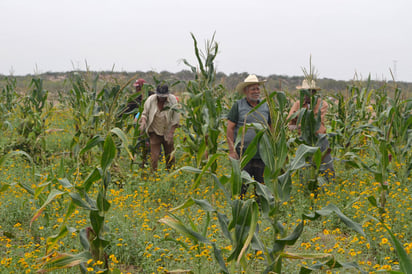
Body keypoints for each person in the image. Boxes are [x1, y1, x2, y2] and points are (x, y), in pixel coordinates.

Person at [226, 74, 271, 198]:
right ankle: (239, 207)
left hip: (262, 155)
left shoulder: (265, 106)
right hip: (243, 154)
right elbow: (230, 128)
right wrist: (231, 150)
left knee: (261, 188)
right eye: (253, 89)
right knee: (241, 186)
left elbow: (271, 127)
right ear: (246, 91)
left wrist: (272, 148)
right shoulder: (238, 106)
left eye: (258, 89)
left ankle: (261, 211)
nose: (256, 92)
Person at [287, 79, 335, 180]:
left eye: (309, 91)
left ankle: (330, 185)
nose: (306, 94)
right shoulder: (297, 104)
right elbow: (290, 121)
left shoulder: (322, 104)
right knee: (303, 165)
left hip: (319, 139)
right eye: (304, 92)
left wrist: (299, 125)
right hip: (304, 140)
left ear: (314, 92)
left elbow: (314, 123)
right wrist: (299, 123)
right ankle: (304, 186)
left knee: (326, 165)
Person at [138, 84, 180, 172]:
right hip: (154, 131)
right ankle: (153, 175)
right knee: (154, 157)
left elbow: (176, 118)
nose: (161, 98)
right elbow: (144, 114)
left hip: (167, 131)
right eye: (160, 96)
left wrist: (171, 133)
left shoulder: (173, 100)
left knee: (170, 156)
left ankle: (171, 174)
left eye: (164, 96)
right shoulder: (150, 100)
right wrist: (143, 123)